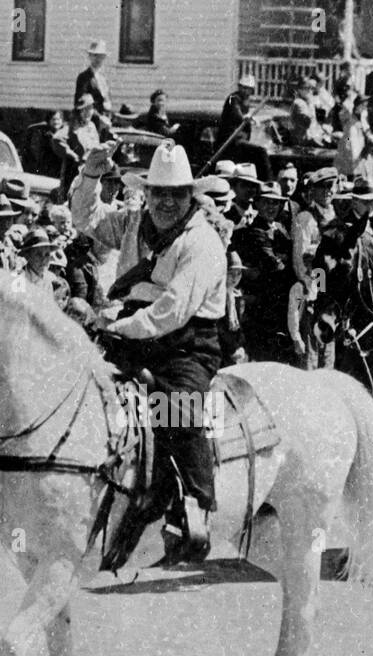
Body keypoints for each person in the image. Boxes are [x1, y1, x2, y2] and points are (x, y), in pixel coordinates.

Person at [72, 140, 226, 563]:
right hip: (130, 333)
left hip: (186, 345)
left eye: (176, 194)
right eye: (159, 192)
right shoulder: (135, 223)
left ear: (191, 197)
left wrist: (114, 327)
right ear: (148, 193)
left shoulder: (203, 243)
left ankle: (196, 503)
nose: (166, 202)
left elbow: (172, 311)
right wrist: (90, 175)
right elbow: (86, 217)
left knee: (178, 406)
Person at [231, 180, 293, 363]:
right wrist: (288, 262)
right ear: (257, 203)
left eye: (275, 203)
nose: (271, 207)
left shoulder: (281, 229)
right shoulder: (255, 231)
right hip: (264, 309)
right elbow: (274, 266)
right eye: (266, 202)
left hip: (282, 305)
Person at [290, 167, 339, 368]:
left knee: (328, 352)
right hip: (314, 288)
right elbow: (299, 261)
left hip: (332, 292)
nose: (327, 191)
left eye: (331, 186)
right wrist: (315, 288)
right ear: (313, 191)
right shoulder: (306, 219)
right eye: (322, 187)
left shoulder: (336, 216)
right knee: (311, 352)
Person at [216, 74, 271, 181]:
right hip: (231, 142)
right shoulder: (233, 98)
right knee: (261, 152)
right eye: (243, 88)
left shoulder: (246, 101)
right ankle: (268, 183)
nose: (246, 91)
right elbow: (236, 113)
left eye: (249, 89)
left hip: (241, 141)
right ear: (239, 87)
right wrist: (245, 117)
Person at [74, 40, 114, 125]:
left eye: (101, 56)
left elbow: (107, 100)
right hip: (91, 121)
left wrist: (108, 117)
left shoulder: (104, 78)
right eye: (95, 55)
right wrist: (99, 117)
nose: (98, 59)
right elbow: (80, 103)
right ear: (89, 56)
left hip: (105, 120)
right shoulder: (84, 77)